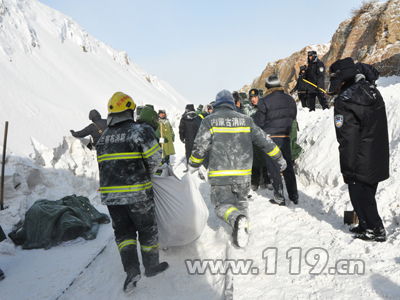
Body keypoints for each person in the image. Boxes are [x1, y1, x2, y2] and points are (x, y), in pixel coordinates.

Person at [188, 90, 286, 248]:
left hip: (220, 176)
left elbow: (200, 148)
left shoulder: (209, 121)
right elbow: (264, 141)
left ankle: (236, 219)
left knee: (221, 206)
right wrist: (279, 157)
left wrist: (192, 165)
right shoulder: (246, 120)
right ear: (232, 104)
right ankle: (243, 233)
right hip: (243, 175)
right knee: (241, 203)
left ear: (217, 104)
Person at [96, 92, 168, 293]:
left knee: (123, 234)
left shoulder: (103, 138)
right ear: (129, 110)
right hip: (137, 194)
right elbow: (155, 161)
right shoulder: (139, 131)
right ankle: (151, 266)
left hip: (111, 197)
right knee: (146, 230)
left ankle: (131, 270)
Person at [329, 58, 389, 242]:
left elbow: (348, 139)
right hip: (377, 154)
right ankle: (365, 224)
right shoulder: (372, 91)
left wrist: (347, 168)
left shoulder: (344, 101)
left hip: (359, 158)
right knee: (368, 194)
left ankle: (375, 229)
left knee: (360, 196)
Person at [253, 75, 299, 205]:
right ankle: (294, 195)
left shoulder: (265, 101)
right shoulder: (290, 100)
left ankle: (279, 197)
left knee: (274, 168)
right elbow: (293, 116)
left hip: (271, 138)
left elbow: (259, 122)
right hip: (285, 136)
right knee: (287, 167)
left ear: (268, 87)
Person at [248, 88, 272, 191]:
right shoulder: (248, 110)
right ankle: (255, 182)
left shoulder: (265, 107)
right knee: (255, 161)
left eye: (255, 97)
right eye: (251, 97)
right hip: (253, 138)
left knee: (266, 158)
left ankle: (267, 180)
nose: (253, 99)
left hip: (264, 136)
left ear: (259, 97)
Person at [178, 104, 202, 169]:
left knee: (188, 153)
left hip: (188, 140)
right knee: (197, 153)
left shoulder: (184, 118)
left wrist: (182, 138)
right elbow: (201, 128)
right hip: (197, 140)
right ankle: (197, 167)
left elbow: (181, 129)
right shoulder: (198, 118)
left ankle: (189, 167)